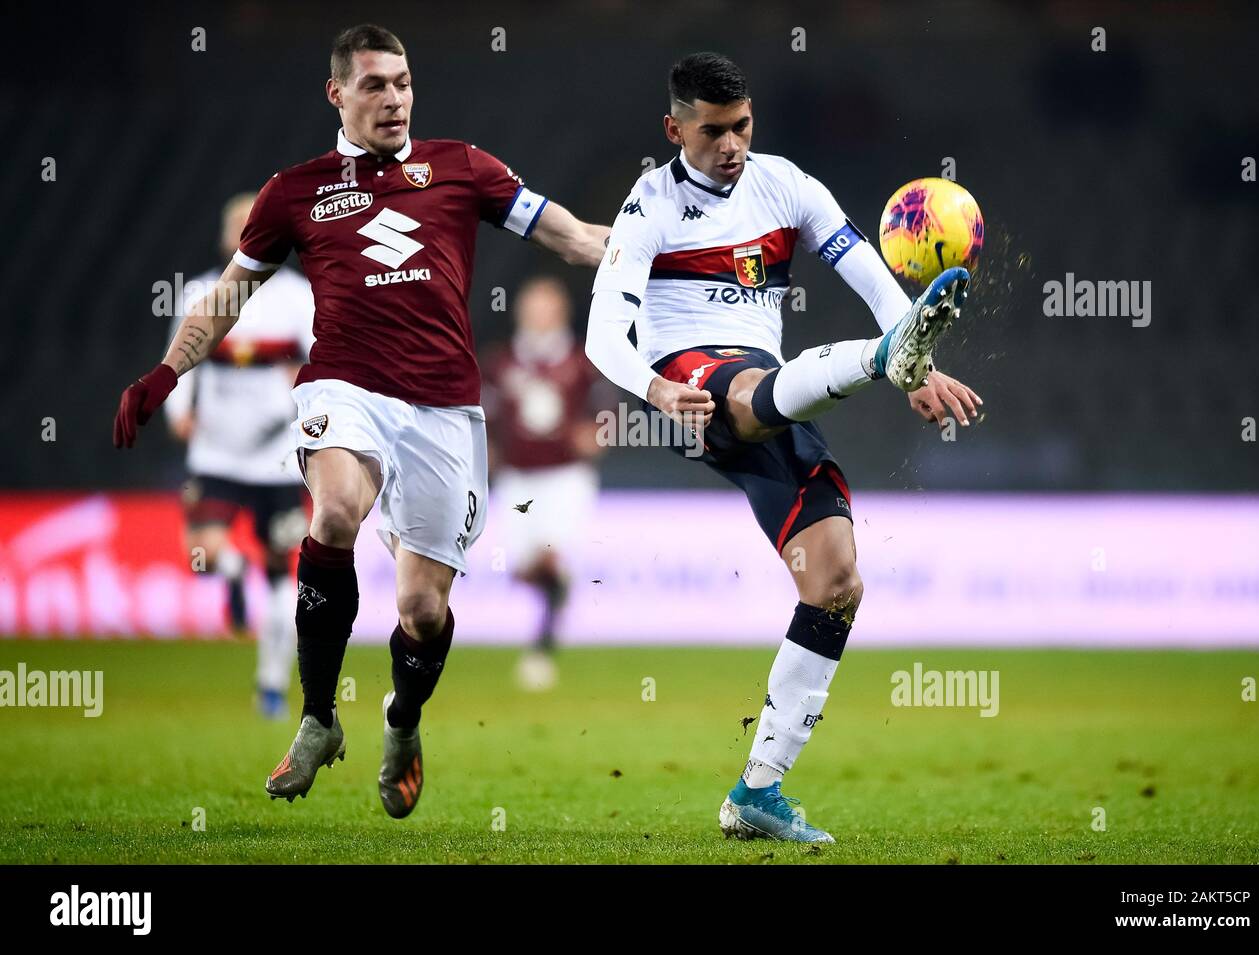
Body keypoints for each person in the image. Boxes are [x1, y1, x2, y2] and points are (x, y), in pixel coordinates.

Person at [114, 23, 610, 820]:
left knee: (423, 611)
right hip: (345, 386)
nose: (393, 98)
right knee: (336, 509)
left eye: (403, 82)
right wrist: (167, 372)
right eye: (375, 84)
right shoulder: (295, 190)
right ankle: (316, 717)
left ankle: (401, 721)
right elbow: (227, 295)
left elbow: (578, 237)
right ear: (336, 93)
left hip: (446, 409)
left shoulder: (463, 166)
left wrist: (681, 254)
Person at [584, 52, 983, 842]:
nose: (731, 144)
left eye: (742, 126)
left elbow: (868, 271)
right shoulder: (648, 206)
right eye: (712, 131)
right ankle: (876, 360)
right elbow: (602, 331)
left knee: (836, 581)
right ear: (675, 130)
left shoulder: (786, 184)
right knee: (742, 388)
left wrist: (917, 354)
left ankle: (756, 792)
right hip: (688, 386)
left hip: (774, 391)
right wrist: (654, 388)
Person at [163, 193, 315, 719]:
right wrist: (177, 409)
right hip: (217, 452)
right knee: (200, 554)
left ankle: (270, 684)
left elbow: (324, 359)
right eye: (236, 225)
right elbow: (180, 356)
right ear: (227, 236)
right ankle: (231, 571)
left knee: (282, 573)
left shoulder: (298, 296)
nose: (244, 232)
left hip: (276, 455)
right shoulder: (203, 292)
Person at [481, 277, 611, 690]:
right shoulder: (500, 363)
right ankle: (555, 595)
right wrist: (485, 449)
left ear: (560, 313)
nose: (537, 315)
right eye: (531, 307)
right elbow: (481, 414)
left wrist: (597, 435)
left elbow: (608, 409)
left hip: (565, 477)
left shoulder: (581, 361)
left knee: (550, 556)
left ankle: (542, 646)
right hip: (517, 479)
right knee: (523, 569)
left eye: (545, 307)